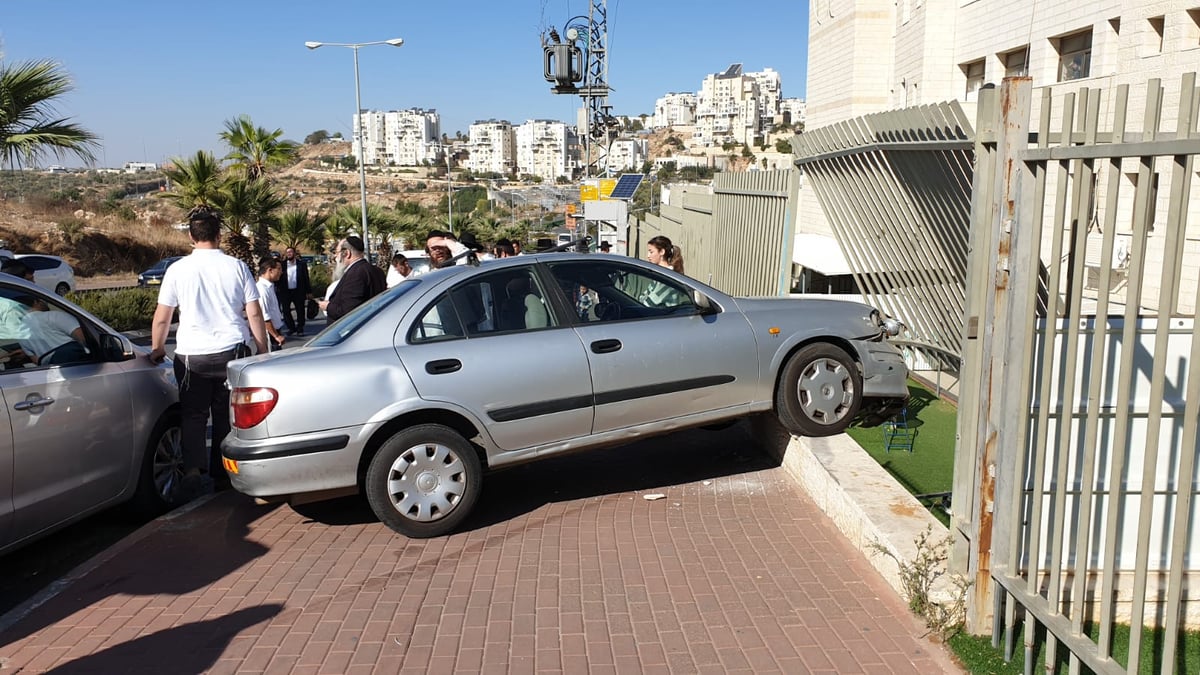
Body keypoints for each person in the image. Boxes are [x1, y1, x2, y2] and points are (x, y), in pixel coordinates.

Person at [149, 207, 268, 501]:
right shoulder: (237, 267)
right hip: (232, 351)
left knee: (193, 415)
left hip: (191, 357)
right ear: (220, 234)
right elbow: (253, 312)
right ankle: (221, 474)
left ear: (191, 236)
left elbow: (163, 316)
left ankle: (192, 469)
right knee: (226, 417)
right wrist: (263, 348)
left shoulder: (177, 270)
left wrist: (157, 348)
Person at [319, 235, 386, 322]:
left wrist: (327, 306)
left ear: (347, 253)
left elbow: (349, 312)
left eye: (337, 252)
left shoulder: (355, 274)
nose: (335, 257)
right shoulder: (377, 271)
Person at [18, 295, 88, 365]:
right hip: (78, 365)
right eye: (43, 301)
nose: (46, 304)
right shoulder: (54, 316)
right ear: (35, 302)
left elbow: (36, 360)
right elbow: (84, 338)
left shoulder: (20, 333)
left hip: (53, 370)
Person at [275, 246, 313, 337]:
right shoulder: (282, 265)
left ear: (295, 253)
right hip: (285, 292)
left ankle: (300, 328)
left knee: (300, 310)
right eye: (287, 252)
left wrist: (309, 291)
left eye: (291, 252)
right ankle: (291, 328)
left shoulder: (301, 264)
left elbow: (306, 278)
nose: (289, 254)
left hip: (298, 291)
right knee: (286, 311)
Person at [257, 257, 287, 351]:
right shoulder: (262, 290)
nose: (281, 272)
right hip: (269, 334)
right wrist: (276, 335)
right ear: (270, 270)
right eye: (279, 269)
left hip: (275, 330)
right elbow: (265, 317)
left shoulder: (270, 287)